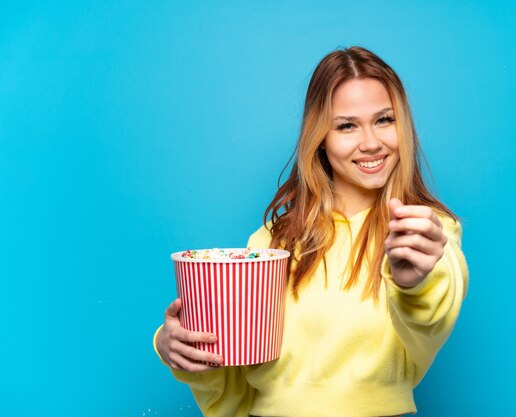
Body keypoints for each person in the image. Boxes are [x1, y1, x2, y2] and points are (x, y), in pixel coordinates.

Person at [153, 46, 469, 417]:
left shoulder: (424, 232)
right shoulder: (272, 242)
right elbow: (232, 393)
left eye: (384, 119)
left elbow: (432, 316)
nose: (371, 141)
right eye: (346, 125)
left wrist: (414, 282)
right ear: (320, 137)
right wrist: (178, 350)